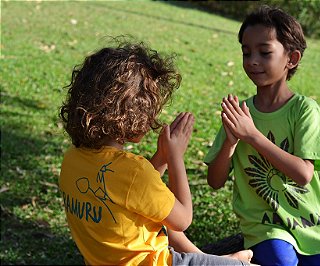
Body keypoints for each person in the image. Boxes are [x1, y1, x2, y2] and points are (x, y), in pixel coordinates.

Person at [58, 39, 254, 265]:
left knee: (159, 218)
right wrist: (174, 157)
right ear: (135, 113)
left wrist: (160, 156)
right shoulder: (133, 170)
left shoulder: (72, 159)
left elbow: (133, 194)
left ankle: (212, 260)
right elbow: (182, 220)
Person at [205, 5, 320, 266]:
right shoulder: (241, 113)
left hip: (311, 224)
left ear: (291, 59)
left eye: (264, 52)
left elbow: (303, 174)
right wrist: (231, 141)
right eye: (246, 53)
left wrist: (253, 136)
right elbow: (215, 181)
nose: (252, 61)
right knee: (281, 261)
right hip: (264, 228)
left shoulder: (305, 110)